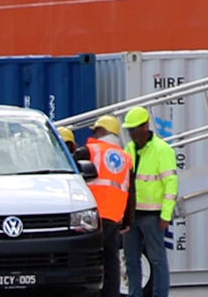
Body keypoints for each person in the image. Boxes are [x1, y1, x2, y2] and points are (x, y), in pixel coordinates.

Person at [121, 106, 181, 297]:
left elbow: (171, 185)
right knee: (131, 259)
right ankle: (134, 294)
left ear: (146, 126)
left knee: (157, 259)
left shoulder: (162, 150)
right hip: (132, 215)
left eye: (135, 129)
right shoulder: (129, 149)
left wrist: (165, 215)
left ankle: (160, 294)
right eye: (129, 130)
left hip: (153, 215)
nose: (131, 134)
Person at [77, 116, 131, 295]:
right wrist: (127, 220)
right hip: (115, 215)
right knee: (111, 260)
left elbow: (68, 166)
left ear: (103, 131)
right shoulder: (125, 157)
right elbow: (132, 191)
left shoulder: (91, 150)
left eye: (96, 130)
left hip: (94, 214)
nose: (94, 134)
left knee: (88, 258)